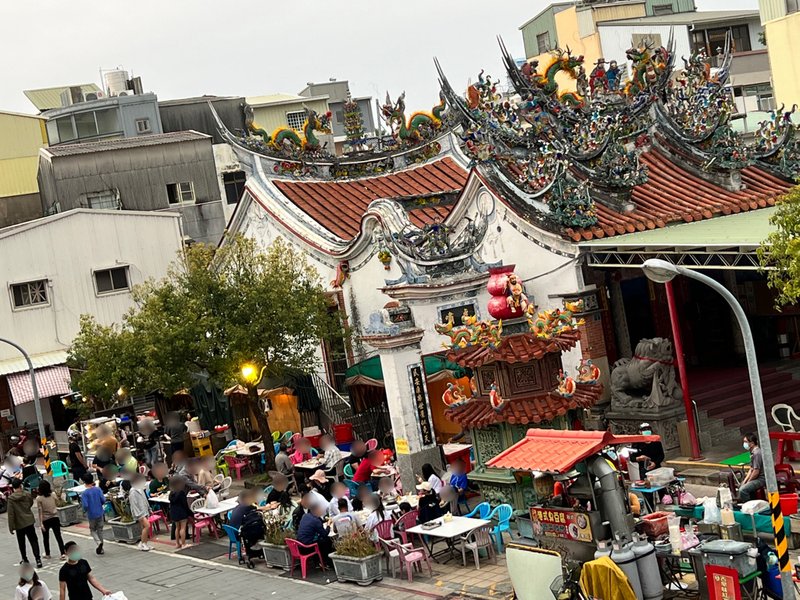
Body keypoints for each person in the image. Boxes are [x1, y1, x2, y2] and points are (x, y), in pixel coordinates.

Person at [7, 478, 42, 567]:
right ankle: (38, 559)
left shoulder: (11, 499)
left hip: (19, 523)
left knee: (21, 542)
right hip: (29, 521)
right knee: (34, 540)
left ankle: (25, 559)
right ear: (21, 485)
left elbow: (11, 514)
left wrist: (11, 527)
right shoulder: (27, 494)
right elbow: (30, 503)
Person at [35, 480, 66, 559]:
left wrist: (41, 523)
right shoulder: (53, 494)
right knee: (58, 536)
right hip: (55, 517)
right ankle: (63, 553)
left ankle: (47, 553)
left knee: (46, 537)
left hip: (46, 519)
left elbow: (40, 511)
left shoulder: (39, 499)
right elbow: (59, 502)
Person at [124, 475, 152, 552]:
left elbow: (145, 499)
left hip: (144, 510)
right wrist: (138, 514)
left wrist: (149, 508)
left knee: (144, 527)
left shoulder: (140, 489)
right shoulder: (133, 491)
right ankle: (143, 543)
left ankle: (144, 543)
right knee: (147, 526)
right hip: (140, 513)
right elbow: (133, 504)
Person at [79, 473, 105, 555]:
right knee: (100, 529)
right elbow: (103, 500)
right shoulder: (98, 489)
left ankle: (98, 542)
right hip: (100, 512)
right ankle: (101, 547)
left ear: (84, 482)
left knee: (93, 529)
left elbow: (85, 505)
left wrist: (84, 511)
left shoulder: (85, 493)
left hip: (91, 514)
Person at [739, 433, 766, 502]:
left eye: (746, 442)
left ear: (752, 443)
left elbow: (756, 472)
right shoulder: (753, 453)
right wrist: (745, 481)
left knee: (743, 490)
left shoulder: (757, 454)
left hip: (761, 479)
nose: (744, 444)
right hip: (756, 478)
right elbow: (751, 469)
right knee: (741, 485)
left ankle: (749, 505)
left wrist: (748, 482)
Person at [168, 476, 191, 549]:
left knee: (177, 528)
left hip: (174, 513)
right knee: (183, 528)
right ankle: (183, 544)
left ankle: (177, 543)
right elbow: (184, 504)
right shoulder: (181, 492)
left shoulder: (171, 493)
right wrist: (190, 512)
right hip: (182, 512)